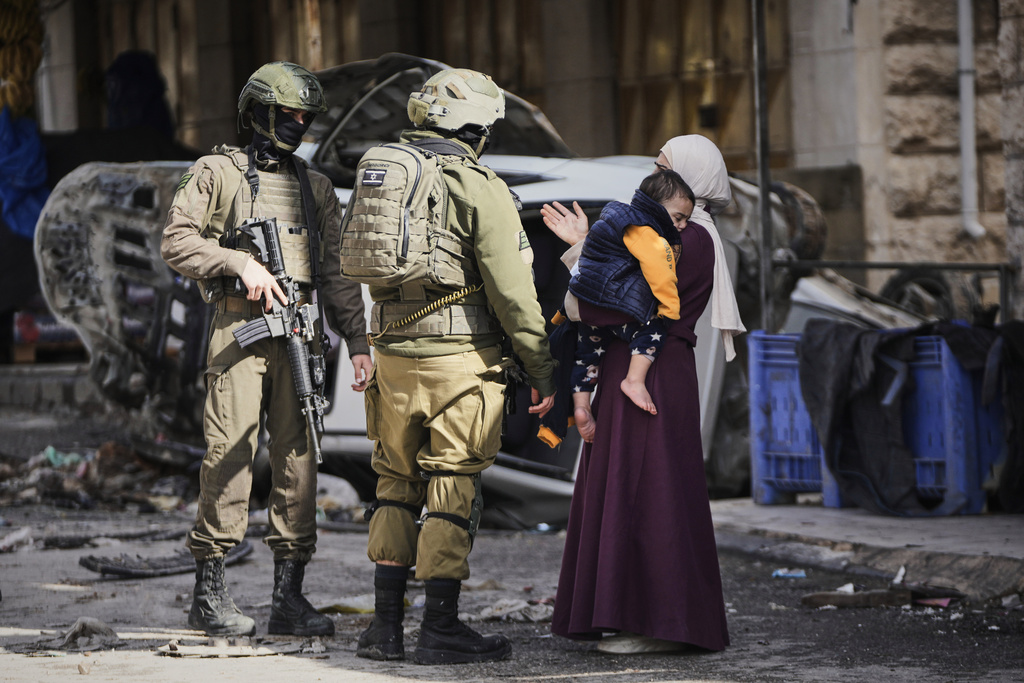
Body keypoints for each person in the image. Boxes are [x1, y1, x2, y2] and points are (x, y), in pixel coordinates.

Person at [161, 61, 373, 637]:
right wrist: (238, 262)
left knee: (300, 457)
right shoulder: (216, 172)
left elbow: (334, 271)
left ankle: (288, 597)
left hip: (300, 331)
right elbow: (177, 241)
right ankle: (209, 595)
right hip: (240, 326)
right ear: (258, 112)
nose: (298, 125)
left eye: (305, 117)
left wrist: (357, 340)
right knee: (229, 451)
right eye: (289, 115)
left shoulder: (315, 186)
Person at [353, 68, 557, 665]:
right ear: (478, 128)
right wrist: (541, 369)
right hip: (460, 365)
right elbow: (515, 294)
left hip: (392, 358)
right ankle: (439, 627)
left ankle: (384, 629)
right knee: (450, 487)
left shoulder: (386, 171)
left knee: (393, 483)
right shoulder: (477, 183)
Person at [541, 134, 744, 654]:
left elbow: (617, 305)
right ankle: (639, 616)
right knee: (636, 489)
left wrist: (581, 253)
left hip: (651, 376)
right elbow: (620, 289)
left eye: (664, 164)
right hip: (643, 372)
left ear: (692, 179)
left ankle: (656, 623)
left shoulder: (690, 238)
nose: (653, 171)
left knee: (648, 493)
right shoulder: (675, 233)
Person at [566, 169, 695, 441]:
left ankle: (581, 405)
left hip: (586, 302)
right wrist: (668, 308)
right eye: (678, 217)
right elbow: (659, 268)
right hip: (616, 304)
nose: (682, 226)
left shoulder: (614, 216)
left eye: (687, 220)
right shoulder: (643, 229)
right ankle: (634, 381)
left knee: (587, 352)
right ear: (655, 208)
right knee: (651, 330)